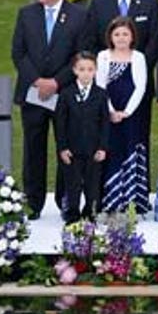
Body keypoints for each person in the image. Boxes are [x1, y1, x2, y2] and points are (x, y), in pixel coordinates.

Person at [11, 0, 87, 220]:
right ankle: (32, 202)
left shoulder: (78, 16)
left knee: (66, 147)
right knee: (33, 147)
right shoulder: (26, 14)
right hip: (32, 93)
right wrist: (37, 80)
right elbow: (18, 53)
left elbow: (81, 54)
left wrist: (56, 82)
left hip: (63, 94)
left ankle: (66, 200)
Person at [82, 0, 158, 170]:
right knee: (106, 142)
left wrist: (136, 71)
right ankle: (107, 193)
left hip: (138, 89)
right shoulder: (99, 3)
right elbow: (90, 42)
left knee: (137, 140)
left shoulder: (150, 2)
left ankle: (136, 196)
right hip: (105, 88)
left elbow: (154, 44)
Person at [95, 17, 149, 213]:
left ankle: (133, 202)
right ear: (110, 36)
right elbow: (100, 86)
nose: (121, 38)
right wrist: (110, 111)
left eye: (125, 34)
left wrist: (126, 112)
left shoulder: (138, 57)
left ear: (132, 36)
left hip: (131, 114)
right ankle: (110, 200)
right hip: (108, 113)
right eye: (117, 34)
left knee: (130, 150)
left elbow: (140, 87)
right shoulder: (102, 56)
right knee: (110, 152)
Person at [54, 52, 109, 223]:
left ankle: (90, 214)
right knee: (73, 185)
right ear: (75, 70)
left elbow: (105, 123)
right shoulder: (66, 94)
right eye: (82, 69)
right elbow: (60, 123)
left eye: (90, 69)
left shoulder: (100, 94)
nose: (86, 73)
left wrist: (102, 147)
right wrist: (62, 147)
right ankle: (72, 215)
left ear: (95, 71)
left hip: (93, 149)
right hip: (72, 150)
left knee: (93, 186)